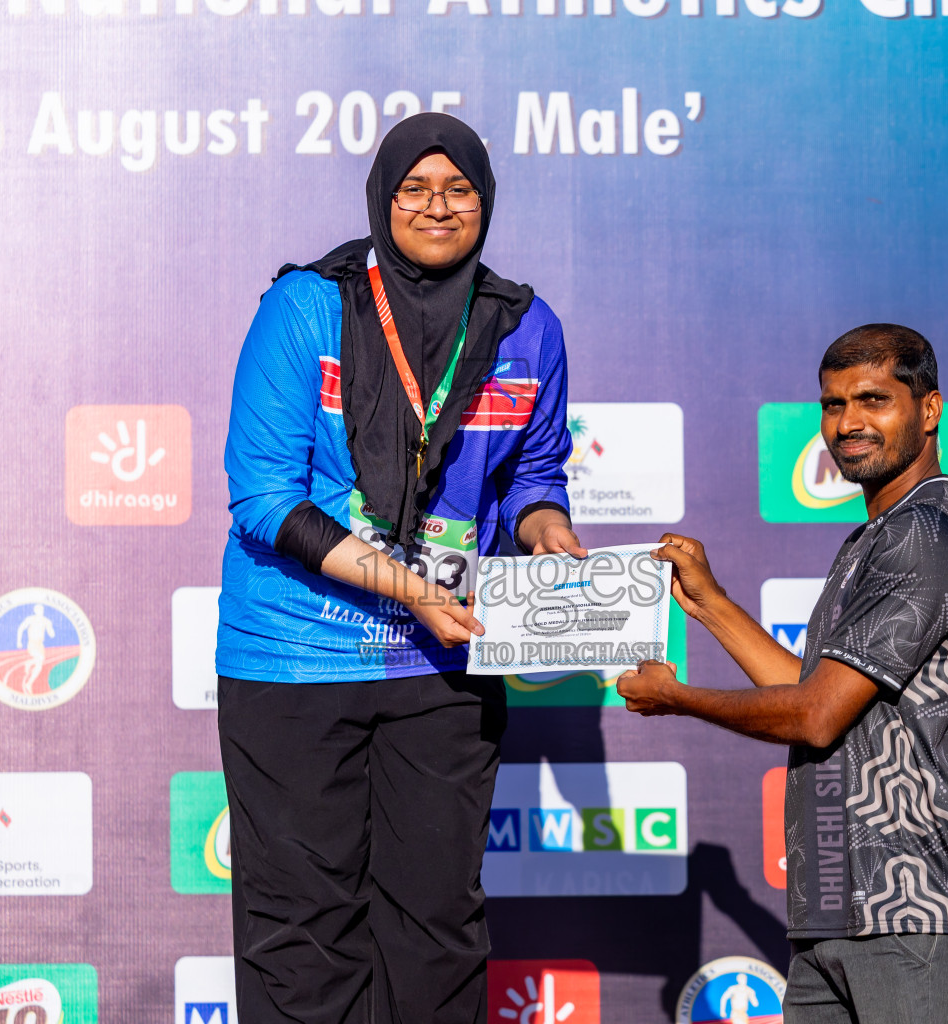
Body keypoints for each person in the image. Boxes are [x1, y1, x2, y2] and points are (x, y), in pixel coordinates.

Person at [215, 114, 581, 1024]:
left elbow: (533, 474)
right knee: (301, 932)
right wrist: (412, 586)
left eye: (458, 189)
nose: (437, 207)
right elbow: (263, 499)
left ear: (485, 203)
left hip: (443, 666)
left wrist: (547, 531)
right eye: (414, 189)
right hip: (294, 660)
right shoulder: (306, 307)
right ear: (382, 199)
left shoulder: (526, 326)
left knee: (438, 929)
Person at [617, 325, 948, 1022]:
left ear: (929, 409)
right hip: (834, 912)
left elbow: (814, 716)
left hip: (912, 917)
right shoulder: (875, 536)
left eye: (872, 400)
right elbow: (812, 690)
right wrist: (711, 605)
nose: (848, 422)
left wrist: (676, 698)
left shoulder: (930, 532)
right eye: (832, 405)